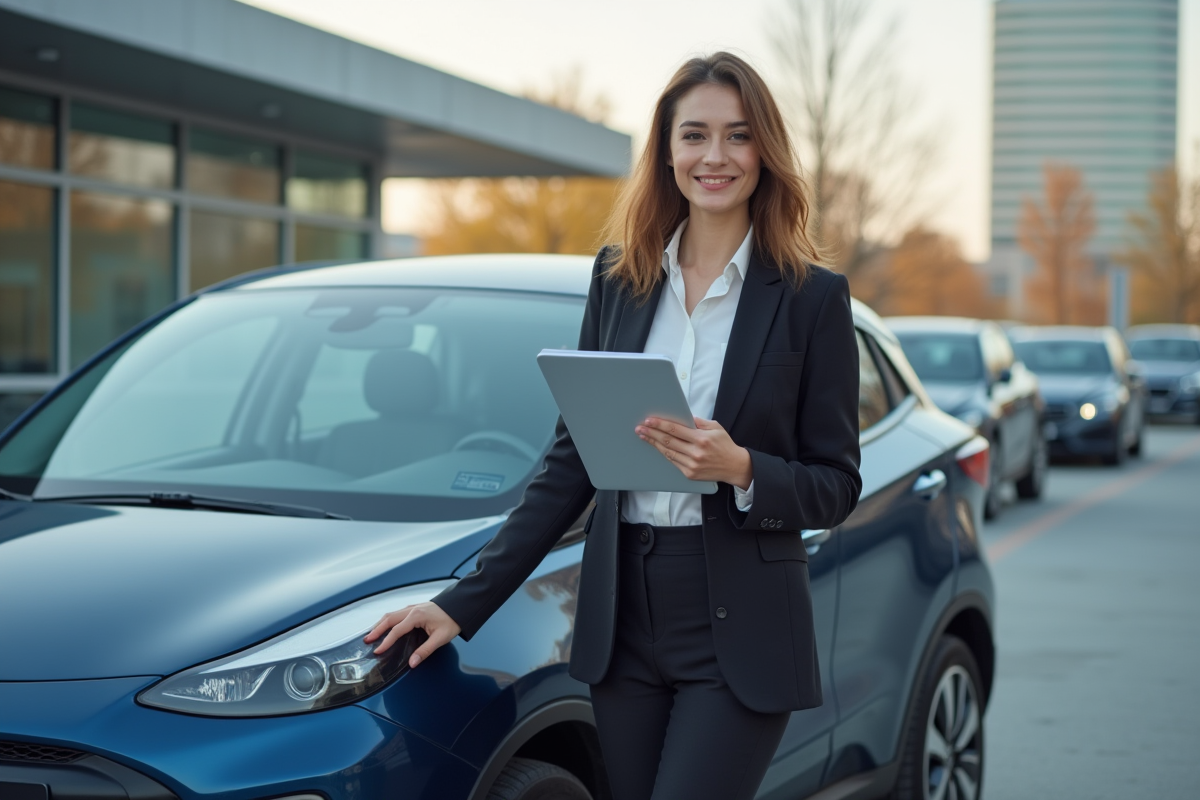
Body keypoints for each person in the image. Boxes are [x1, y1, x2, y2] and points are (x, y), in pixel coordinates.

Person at [366, 51, 862, 800]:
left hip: (741, 625)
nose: (715, 157)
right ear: (667, 151)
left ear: (766, 150)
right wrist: (459, 603)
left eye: (737, 135)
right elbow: (571, 464)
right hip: (623, 615)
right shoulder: (619, 280)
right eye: (694, 135)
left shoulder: (810, 297)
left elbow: (836, 484)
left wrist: (742, 469)